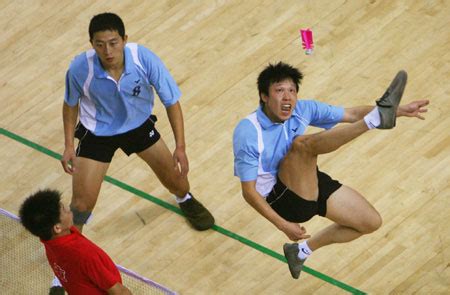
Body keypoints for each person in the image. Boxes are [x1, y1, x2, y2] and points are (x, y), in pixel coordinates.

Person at [232, 62, 429, 279]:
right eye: (279, 91)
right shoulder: (248, 132)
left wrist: (399, 110)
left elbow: (352, 114)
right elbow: (249, 192)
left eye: (292, 91)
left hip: (305, 178)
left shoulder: (302, 109)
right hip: (281, 199)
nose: (287, 97)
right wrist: (283, 225)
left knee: (369, 222)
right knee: (302, 145)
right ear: (264, 96)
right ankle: (374, 121)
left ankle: (301, 252)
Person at [60, 12, 214, 232]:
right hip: (97, 132)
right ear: (91, 44)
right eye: (100, 45)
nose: (108, 51)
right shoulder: (80, 69)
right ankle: (72, 245)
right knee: (81, 205)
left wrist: (180, 147)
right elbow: (70, 104)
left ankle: (184, 199)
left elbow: (171, 103)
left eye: (113, 43)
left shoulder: (144, 59)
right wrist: (68, 146)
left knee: (178, 182)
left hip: (138, 126)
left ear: (124, 39)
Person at [19, 189, 132, 294]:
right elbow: (120, 292)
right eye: (64, 210)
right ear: (57, 228)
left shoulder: (49, 241)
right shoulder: (84, 254)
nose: (69, 209)